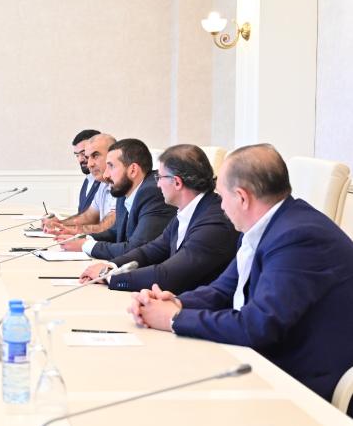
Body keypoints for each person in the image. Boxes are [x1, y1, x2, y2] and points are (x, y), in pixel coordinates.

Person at [129, 144, 353, 416]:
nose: (220, 206)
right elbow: (223, 290)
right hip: (266, 359)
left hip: (302, 382)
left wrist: (173, 319)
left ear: (242, 197)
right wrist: (174, 302)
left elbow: (258, 325)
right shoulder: (267, 225)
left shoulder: (298, 237)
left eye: (221, 196)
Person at [79, 144, 238, 293]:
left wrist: (108, 276)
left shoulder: (214, 222)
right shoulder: (189, 211)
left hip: (200, 305)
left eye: (160, 177)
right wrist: (111, 266)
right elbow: (151, 251)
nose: (158, 185)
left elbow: (168, 275)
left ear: (177, 182)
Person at [71, 138, 176, 258]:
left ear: (133, 170)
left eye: (111, 166)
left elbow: (136, 250)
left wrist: (86, 246)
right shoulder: (124, 189)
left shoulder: (153, 192)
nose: (106, 175)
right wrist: (84, 238)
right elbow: (116, 232)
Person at [44, 133, 118, 236]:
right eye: (87, 157)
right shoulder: (103, 183)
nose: (89, 164)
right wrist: (59, 224)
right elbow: (88, 216)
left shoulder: (122, 184)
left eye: (95, 156)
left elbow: (109, 227)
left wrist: (73, 229)